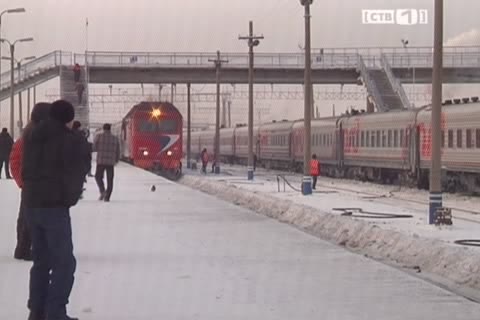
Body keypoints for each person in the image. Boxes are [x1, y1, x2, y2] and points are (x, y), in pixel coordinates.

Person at [22, 100, 85, 320]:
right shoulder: (67, 140)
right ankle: (55, 312)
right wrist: (68, 199)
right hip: (54, 208)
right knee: (64, 263)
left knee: (41, 260)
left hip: (32, 206)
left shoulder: (31, 137)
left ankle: (37, 310)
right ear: (67, 119)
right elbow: (77, 172)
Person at [10, 103, 51, 261]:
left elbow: (14, 161)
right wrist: (23, 182)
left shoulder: (26, 136)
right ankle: (24, 249)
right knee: (30, 218)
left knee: (26, 217)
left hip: (33, 185)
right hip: (34, 185)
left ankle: (24, 248)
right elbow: (16, 161)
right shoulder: (29, 137)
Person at [93, 123, 120, 202]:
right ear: (110, 129)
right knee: (110, 179)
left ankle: (102, 191)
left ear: (103, 129)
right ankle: (107, 197)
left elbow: (94, 148)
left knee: (98, 177)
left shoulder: (99, 136)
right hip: (110, 162)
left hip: (101, 161)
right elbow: (118, 150)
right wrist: (116, 160)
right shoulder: (115, 138)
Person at [72, 121, 92, 198]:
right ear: (79, 127)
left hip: (70, 160)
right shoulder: (81, 136)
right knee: (79, 177)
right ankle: (78, 192)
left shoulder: (68, 134)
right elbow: (85, 149)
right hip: (80, 160)